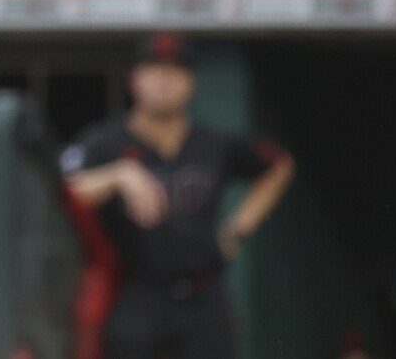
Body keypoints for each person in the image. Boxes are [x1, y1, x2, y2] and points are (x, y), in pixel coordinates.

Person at [62, 32, 294, 359]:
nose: (164, 82)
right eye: (153, 70)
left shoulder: (214, 142)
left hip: (204, 295)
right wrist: (118, 174)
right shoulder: (105, 142)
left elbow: (278, 164)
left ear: (191, 81)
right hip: (137, 291)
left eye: (174, 72)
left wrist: (237, 231)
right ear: (134, 79)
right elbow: (66, 192)